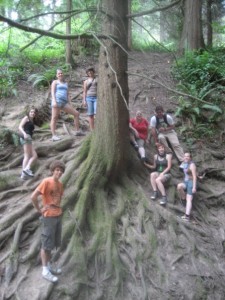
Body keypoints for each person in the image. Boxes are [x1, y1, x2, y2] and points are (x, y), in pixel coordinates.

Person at [31, 160, 65, 283]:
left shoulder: (60, 184)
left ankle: (49, 266)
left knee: (52, 243)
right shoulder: (46, 182)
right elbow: (33, 196)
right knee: (46, 244)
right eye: (57, 170)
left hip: (57, 216)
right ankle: (45, 270)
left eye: (61, 171)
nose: (59, 172)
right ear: (52, 170)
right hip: (48, 217)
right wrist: (39, 210)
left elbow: (58, 199)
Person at [51, 68, 84, 141]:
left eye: (61, 73)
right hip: (57, 101)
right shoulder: (55, 82)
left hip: (64, 102)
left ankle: (77, 131)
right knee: (54, 118)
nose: (60, 74)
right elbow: (53, 92)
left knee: (76, 113)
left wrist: (70, 103)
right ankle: (53, 135)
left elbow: (68, 94)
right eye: (59, 73)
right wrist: (54, 101)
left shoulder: (66, 83)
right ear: (56, 75)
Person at [18, 107, 38, 179]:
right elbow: (20, 127)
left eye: (34, 112)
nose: (33, 113)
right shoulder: (26, 118)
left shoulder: (32, 121)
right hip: (26, 137)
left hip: (28, 138)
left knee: (31, 155)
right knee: (30, 155)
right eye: (31, 112)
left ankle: (24, 173)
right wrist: (24, 134)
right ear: (29, 112)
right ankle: (26, 170)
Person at [177, 152, 197, 221]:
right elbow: (180, 168)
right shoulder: (184, 163)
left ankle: (187, 216)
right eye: (185, 156)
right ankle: (183, 198)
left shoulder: (192, 165)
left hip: (191, 183)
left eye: (187, 156)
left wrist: (194, 187)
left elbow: (194, 177)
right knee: (179, 186)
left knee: (189, 199)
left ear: (190, 158)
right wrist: (183, 160)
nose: (186, 157)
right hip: (185, 182)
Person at [82, 67, 97, 131]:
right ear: (87, 73)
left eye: (91, 71)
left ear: (93, 72)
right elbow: (84, 91)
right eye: (88, 72)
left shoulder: (97, 79)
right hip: (89, 98)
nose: (90, 73)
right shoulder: (86, 81)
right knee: (91, 114)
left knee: (97, 113)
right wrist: (84, 100)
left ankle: (97, 128)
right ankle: (92, 129)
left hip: (97, 98)